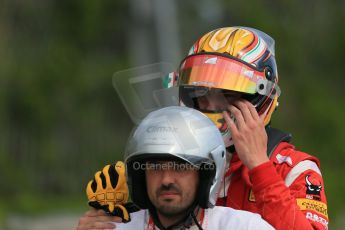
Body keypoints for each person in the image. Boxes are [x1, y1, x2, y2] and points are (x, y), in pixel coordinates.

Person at [77, 26, 329, 229]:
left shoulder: (293, 169)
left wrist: (260, 169)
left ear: (261, 97)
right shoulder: (164, 163)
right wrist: (106, 220)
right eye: (200, 93)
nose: (210, 106)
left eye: (228, 95)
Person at [77, 106, 274, 229]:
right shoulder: (114, 228)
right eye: (155, 167)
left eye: (180, 167)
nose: (166, 180)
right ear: (140, 176)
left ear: (205, 175)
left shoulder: (244, 226)